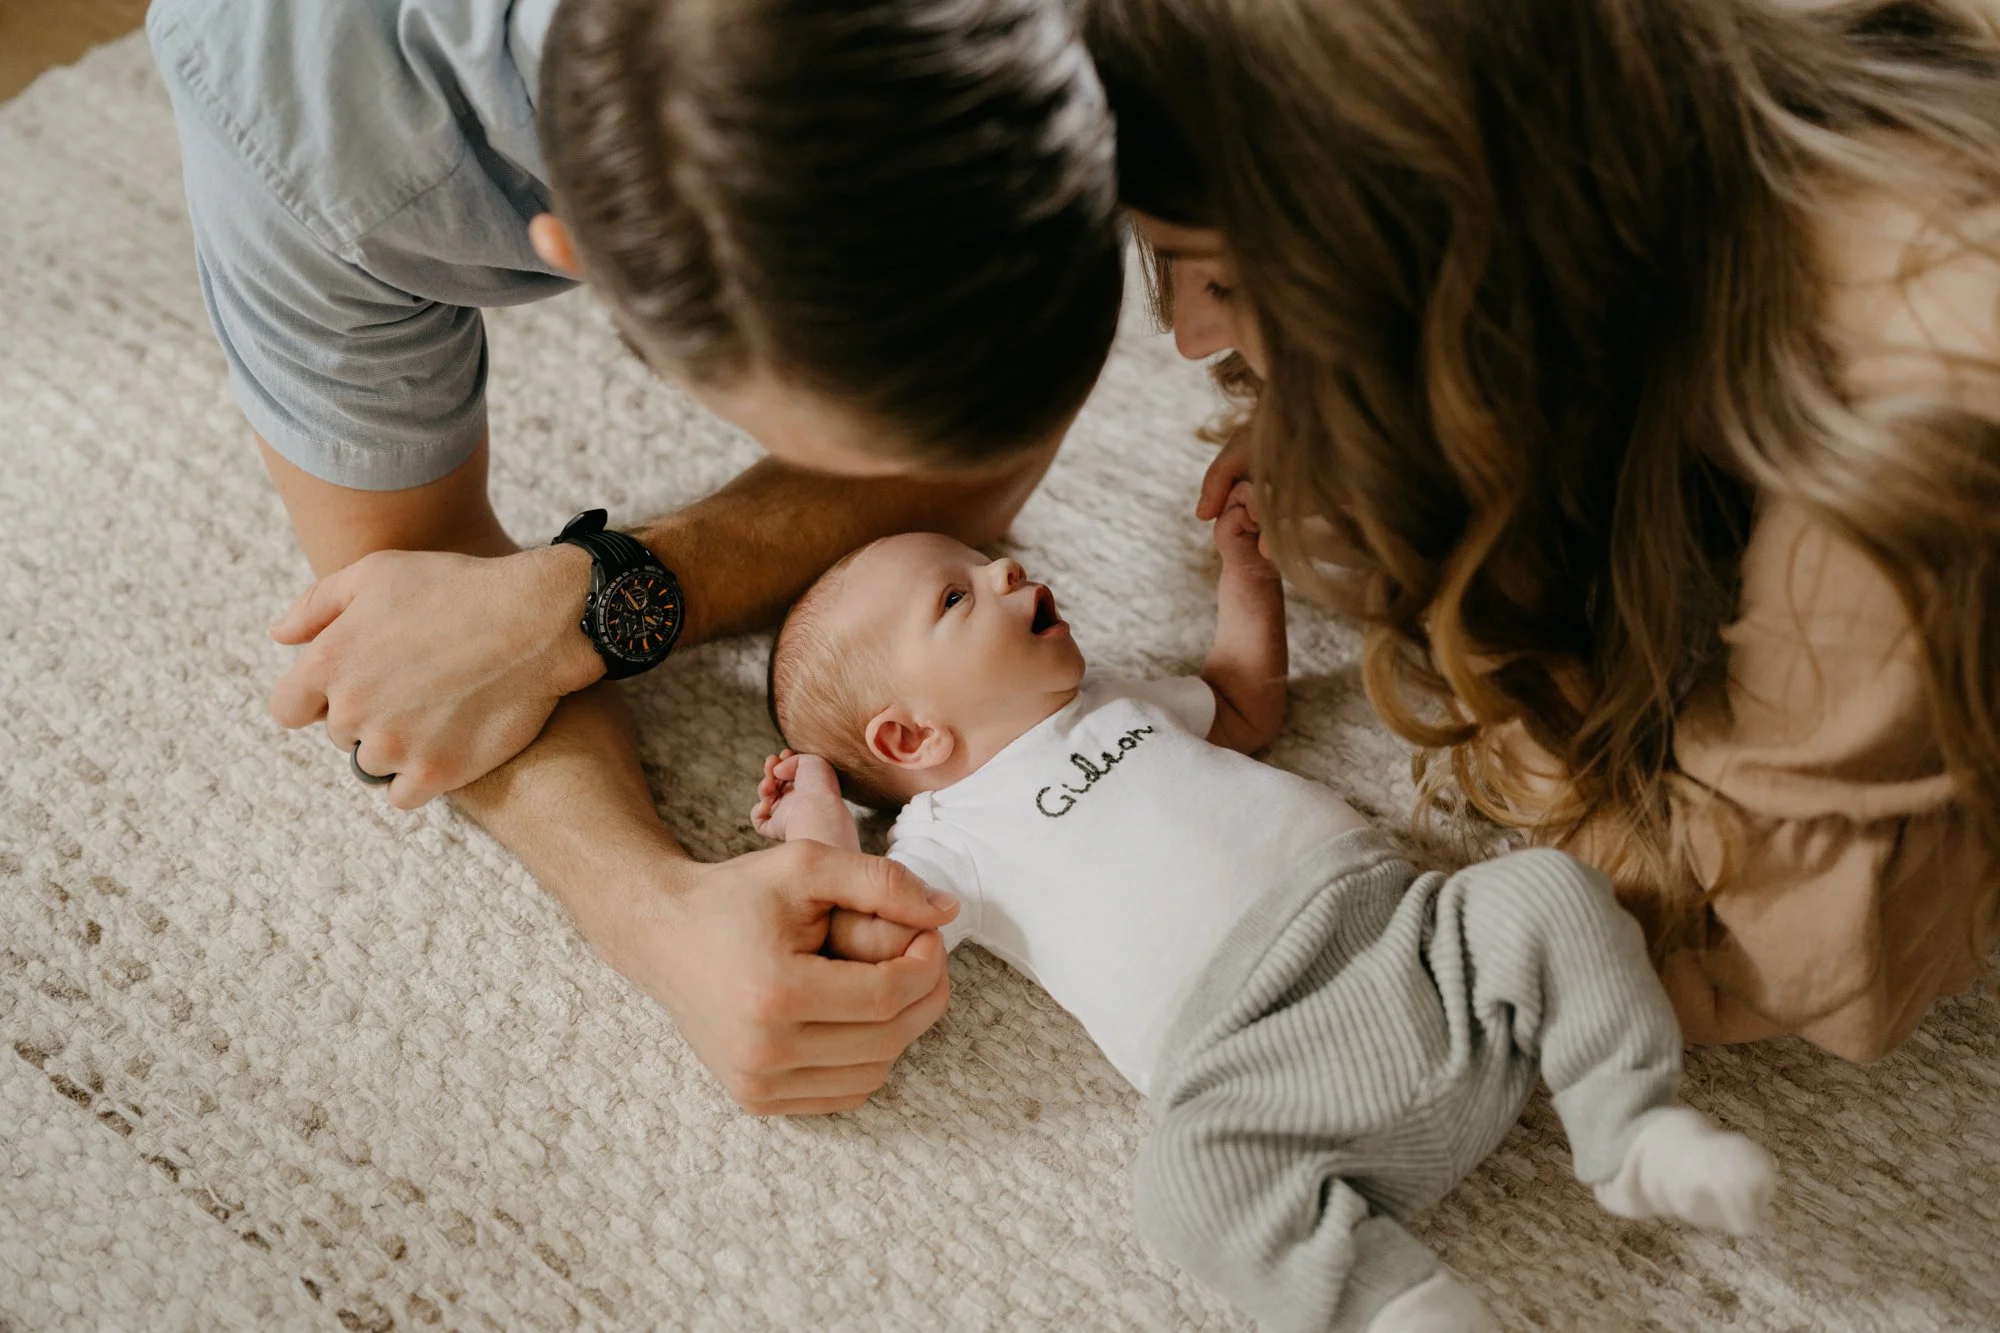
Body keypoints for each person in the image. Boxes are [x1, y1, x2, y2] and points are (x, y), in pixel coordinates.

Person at [147, 0, 1125, 1114]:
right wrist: (650, 914)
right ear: (580, 260)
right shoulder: (301, 124)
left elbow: (980, 455)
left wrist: (597, 596)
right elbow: (413, 649)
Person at [1082, 0, 2000, 1060]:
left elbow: (1740, 961)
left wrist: (1451, 564)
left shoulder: (1906, 426)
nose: (1190, 339)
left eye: (1227, 279)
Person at [751, 526, 1775, 1333]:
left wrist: (1246, 574)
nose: (1005, 565)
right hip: (1259, 1076)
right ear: (908, 737)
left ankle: (1626, 1127)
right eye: (955, 594)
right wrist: (820, 827)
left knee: (1548, 891)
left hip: (1410, 937)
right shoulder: (946, 837)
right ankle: (1382, 1299)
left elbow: (1242, 701)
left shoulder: (1115, 696)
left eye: (981, 559)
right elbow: (872, 947)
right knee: (1180, 1188)